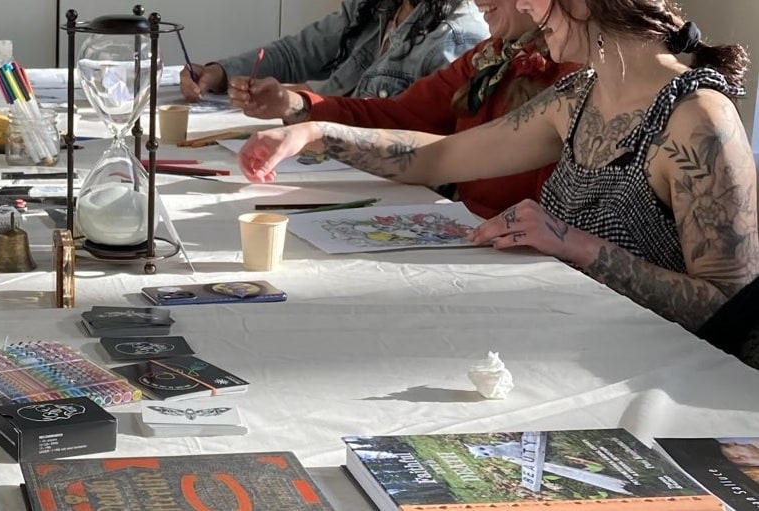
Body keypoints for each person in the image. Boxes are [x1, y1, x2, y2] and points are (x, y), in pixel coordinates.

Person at [235, 0, 759, 335]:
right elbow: (434, 156)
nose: (527, 8)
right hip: (563, 340)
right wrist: (318, 132)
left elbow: (729, 307)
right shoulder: (577, 97)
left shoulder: (700, 122)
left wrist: (573, 242)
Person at [226, 0, 579, 219]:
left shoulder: (577, 76)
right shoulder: (491, 54)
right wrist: (303, 112)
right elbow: (405, 120)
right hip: (473, 236)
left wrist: (314, 128)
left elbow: (438, 156)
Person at [179, 0, 489, 102]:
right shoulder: (377, 7)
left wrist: (303, 102)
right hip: (335, 166)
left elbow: (420, 135)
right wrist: (220, 73)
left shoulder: (456, 36)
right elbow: (296, 52)